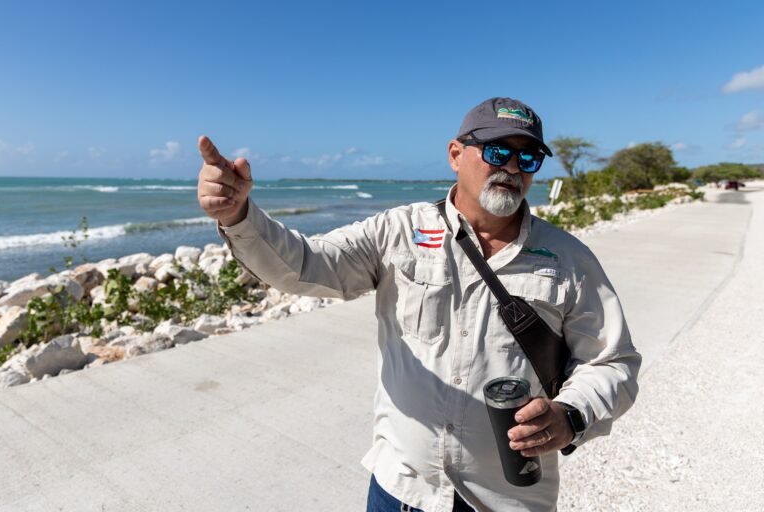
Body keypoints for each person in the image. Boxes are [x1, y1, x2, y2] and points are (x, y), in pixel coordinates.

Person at [196, 97, 641, 512]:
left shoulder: (568, 258)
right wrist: (239, 215)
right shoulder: (397, 230)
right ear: (455, 154)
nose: (511, 167)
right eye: (496, 151)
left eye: (527, 158)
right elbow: (306, 265)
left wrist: (571, 414)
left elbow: (612, 361)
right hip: (402, 488)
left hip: (507, 498)